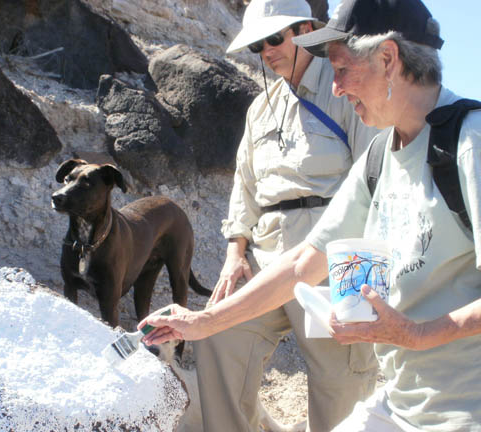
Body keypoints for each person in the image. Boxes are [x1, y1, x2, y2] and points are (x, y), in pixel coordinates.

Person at [141, 0, 481, 431]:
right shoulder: (380, 156)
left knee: (336, 382)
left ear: (388, 59)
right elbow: (305, 261)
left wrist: (417, 335)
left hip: (466, 411)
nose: (335, 88)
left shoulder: (471, 144)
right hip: (400, 406)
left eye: (342, 70)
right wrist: (201, 322)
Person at [189, 0, 379, 431]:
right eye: (258, 44)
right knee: (218, 334)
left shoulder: (344, 87)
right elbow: (245, 185)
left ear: (307, 30)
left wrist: (364, 276)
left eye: (275, 38)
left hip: (332, 247)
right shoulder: (260, 108)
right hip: (266, 250)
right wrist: (234, 252)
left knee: (340, 377)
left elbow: (376, 180)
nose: (267, 50)